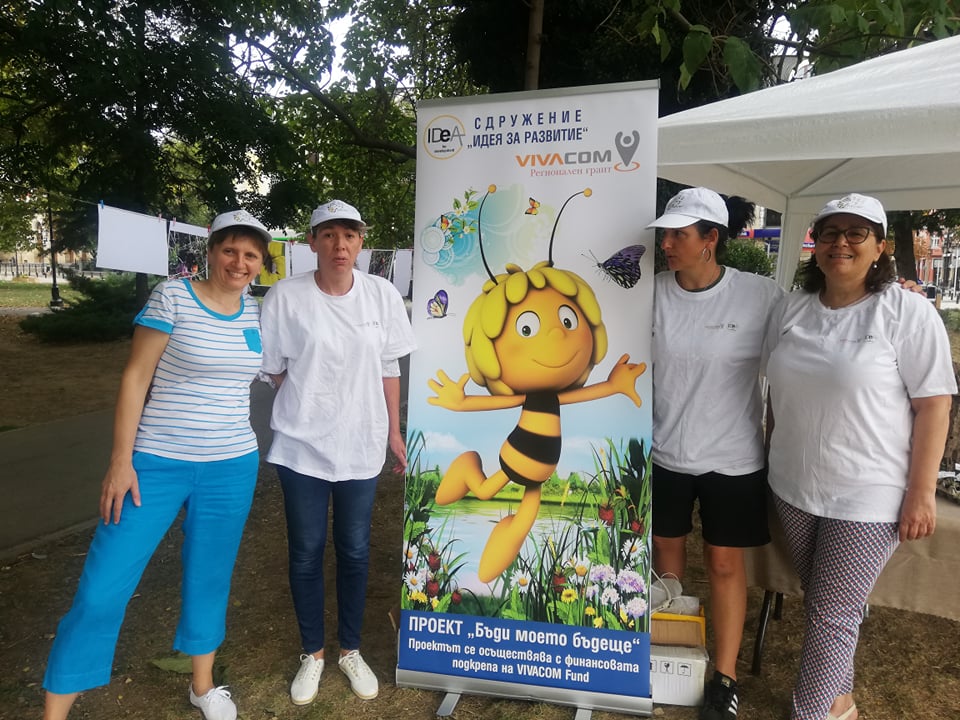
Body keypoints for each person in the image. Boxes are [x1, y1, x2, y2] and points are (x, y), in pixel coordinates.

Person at [42, 210, 273, 720]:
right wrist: (120, 461)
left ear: (261, 264)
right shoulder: (172, 296)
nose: (239, 262)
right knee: (103, 586)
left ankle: (203, 686)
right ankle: (54, 712)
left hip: (232, 464)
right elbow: (135, 377)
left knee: (210, 575)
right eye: (230, 250)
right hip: (155, 465)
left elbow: (270, 374)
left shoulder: (259, 313)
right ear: (211, 251)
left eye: (250, 254)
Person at [764, 193, 956, 720]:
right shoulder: (793, 307)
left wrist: (920, 493)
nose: (840, 243)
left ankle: (812, 712)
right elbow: (778, 394)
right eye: (830, 232)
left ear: (880, 247)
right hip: (793, 485)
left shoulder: (907, 311)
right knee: (830, 605)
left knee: (831, 612)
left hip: (868, 493)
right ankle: (842, 702)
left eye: (856, 233)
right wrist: (767, 454)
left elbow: (934, 406)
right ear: (816, 243)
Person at [259, 199, 416, 705]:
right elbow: (276, 367)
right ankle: (314, 652)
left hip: (361, 443)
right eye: (328, 235)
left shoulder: (382, 296)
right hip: (301, 446)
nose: (340, 245)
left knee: (353, 548)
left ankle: (350, 649)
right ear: (312, 242)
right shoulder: (285, 296)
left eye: (349, 235)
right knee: (306, 550)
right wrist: (311, 399)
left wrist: (394, 431)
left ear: (361, 242)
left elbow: (389, 369)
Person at [647, 186, 784, 720]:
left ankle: (723, 679)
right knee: (667, 563)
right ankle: (668, 655)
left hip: (734, 458)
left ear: (711, 240)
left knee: (726, 565)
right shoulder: (652, 292)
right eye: (666, 234)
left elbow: (791, 365)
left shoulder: (760, 295)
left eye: (679, 234)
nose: (667, 244)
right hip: (665, 452)